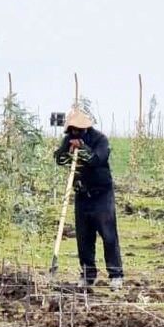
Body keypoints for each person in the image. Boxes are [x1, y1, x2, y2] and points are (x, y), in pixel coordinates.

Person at [54, 109, 124, 290]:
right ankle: (87, 275)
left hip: (102, 194)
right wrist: (68, 151)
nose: (74, 132)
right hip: (82, 194)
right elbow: (59, 159)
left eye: (77, 129)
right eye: (72, 129)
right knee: (84, 237)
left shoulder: (100, 140)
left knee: (108, 235)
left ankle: (116, 275)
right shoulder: (68, 139)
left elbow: (97, 160)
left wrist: (82, 149)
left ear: (84, 128)